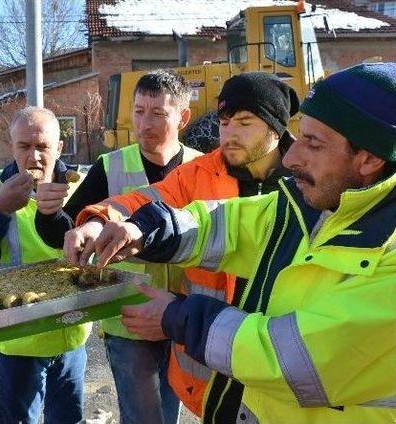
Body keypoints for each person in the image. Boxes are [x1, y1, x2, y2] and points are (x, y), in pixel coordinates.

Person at [75, 63, 396, 423]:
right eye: (300, 135)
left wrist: (178, 316)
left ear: (369, 158)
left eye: (313, 143)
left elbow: (294, 360)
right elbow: (225, 224)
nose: (293, 157)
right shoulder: (310, 203)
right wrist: (140, 231)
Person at [66, 71, 299, 416]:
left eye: (245, 122)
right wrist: (101, 220)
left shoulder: (312, 179)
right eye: (224, 122)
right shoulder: (200, 172)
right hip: (216, 359)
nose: (230, 134)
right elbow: (146, 198)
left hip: (283, 357)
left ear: (275, 128)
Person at [35, 70, 202, 424]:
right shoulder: (109, 167)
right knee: (143, 417)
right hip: (130, 321)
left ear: (183, 117)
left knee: (175, 411)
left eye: (157, 113)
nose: (144, 123)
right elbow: (68, 229)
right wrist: (51, 218)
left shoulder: (204, 168)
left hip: (186, 314)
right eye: (138, 111)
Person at [0, 106, 90, 424]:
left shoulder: (80, 189)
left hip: (72, 333)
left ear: (59, 148)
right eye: (24, 146)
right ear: (11, 146)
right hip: (18, 339)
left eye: (43, 147)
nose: (34, 157)